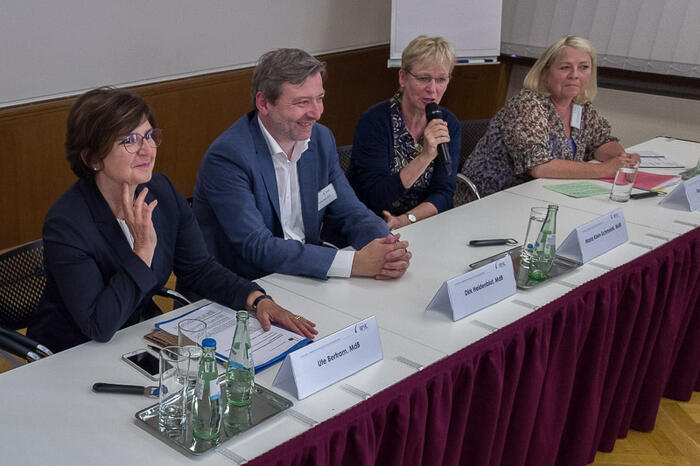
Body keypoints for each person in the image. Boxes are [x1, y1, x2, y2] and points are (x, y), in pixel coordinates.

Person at [27, 88, 316, 353]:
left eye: (149, 135)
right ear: (93, 159)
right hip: (71, 353)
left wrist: (256, 299)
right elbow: (97, 325)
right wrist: (142, 251)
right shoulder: (67, 224)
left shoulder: (161, 191)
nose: (147, 149)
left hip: (138, 336)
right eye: (129, 140)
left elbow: (199, 269)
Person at [193, 48, 412, 280]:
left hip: (304, 273)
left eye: (320, 99)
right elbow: (256, 245)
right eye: (302, 102)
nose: (316, 113)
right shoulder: (229, 157)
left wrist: (387, 249)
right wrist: (354, 263)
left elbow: (351, 212)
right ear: (264, 103)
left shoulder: (320, 139)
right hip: (244, 285)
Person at [461, 36, 640, 197]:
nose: (575, 75)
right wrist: (603, 169)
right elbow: (539, 167)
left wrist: (622, 158)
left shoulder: (581, 106)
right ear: (545, 72)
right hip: (493, 199)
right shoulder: (528, 105)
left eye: (584, 67)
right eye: (565, 68)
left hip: (544, 195)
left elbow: (601, 142)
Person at [347, 35, 461, 229]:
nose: (432, 90)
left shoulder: (448, 123)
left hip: (420, 224)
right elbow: (377, 197)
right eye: (424, 78)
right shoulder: (375, 122)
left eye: (441, 79)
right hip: (368, 223)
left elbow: (444, 193)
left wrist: (406, 220)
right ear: (402, 78)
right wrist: (425, 157)